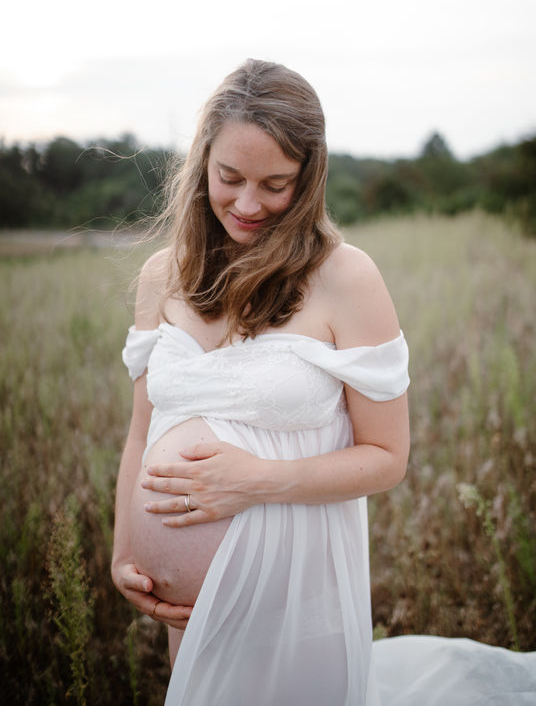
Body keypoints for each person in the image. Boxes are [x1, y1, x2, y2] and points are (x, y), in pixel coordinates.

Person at [111, 59, 536, 705]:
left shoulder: (347, 278)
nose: (247, 204)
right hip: (191, 617)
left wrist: (254, 480)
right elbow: (141, 435)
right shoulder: (159, 277)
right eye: (229, 177)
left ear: (308, 178)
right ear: (203, 164)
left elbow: (387, 457)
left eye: (274, 184)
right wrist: (124, 552)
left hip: (298, 595)